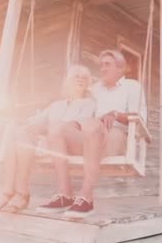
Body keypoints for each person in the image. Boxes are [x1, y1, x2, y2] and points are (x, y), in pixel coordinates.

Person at [38, 49, 146, 218]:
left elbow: (140, 117)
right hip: (89, 136)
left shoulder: (132, 87)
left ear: (120, 68)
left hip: (115, 136)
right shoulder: (94, 89)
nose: (102, 68)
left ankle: (86, 197)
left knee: (93, 125)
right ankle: (65, 194)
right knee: (57, 129)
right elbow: (78, 104)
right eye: (101, 65)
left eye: (107, 64)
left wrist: (115, 114)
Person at [0, 64, 95, 214]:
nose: (81, 79)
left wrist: (44, 129)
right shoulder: (56, 105)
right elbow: (36, 121)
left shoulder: (89, 104)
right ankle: (10, 191)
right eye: (77, 76)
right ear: (68, 80)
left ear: (88, 82)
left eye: (84, 77)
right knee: (17, 130)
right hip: (47, 142)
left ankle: (20, 193)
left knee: (23, 139)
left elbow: (76, 126)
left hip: (67, 145)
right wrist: (25, 124)